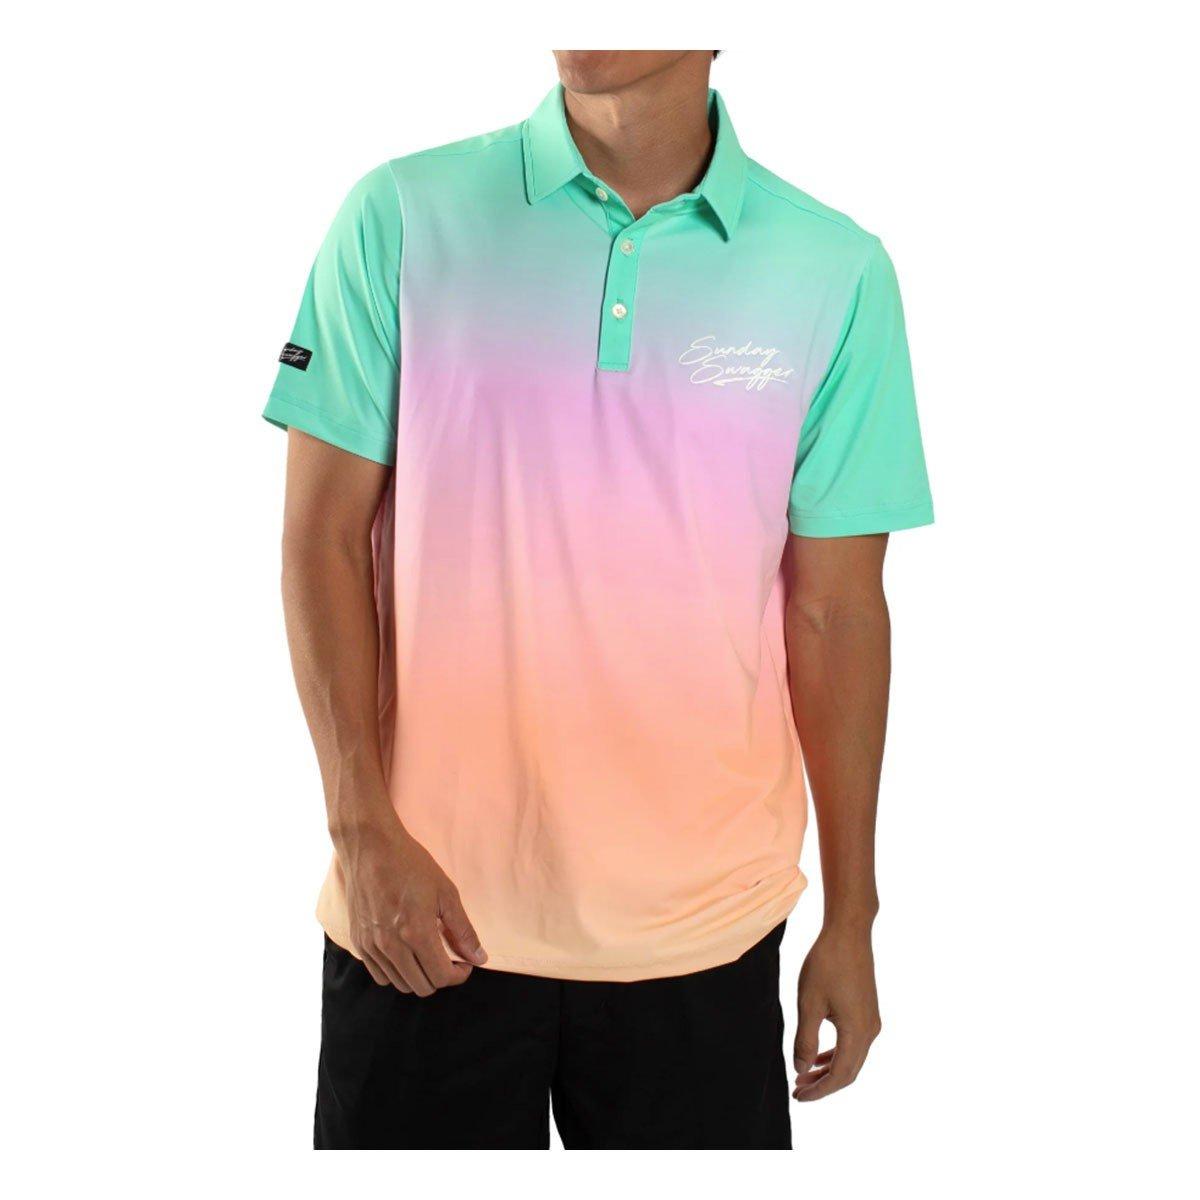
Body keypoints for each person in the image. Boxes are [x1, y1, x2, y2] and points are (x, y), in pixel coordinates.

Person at [265, 49, 933, 1150]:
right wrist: (362, 829)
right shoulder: (402, 215)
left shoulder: (834, 269)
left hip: (705, 936)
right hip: (420, 917)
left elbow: (837, 614)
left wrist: (852, 914)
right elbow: (320, 539)